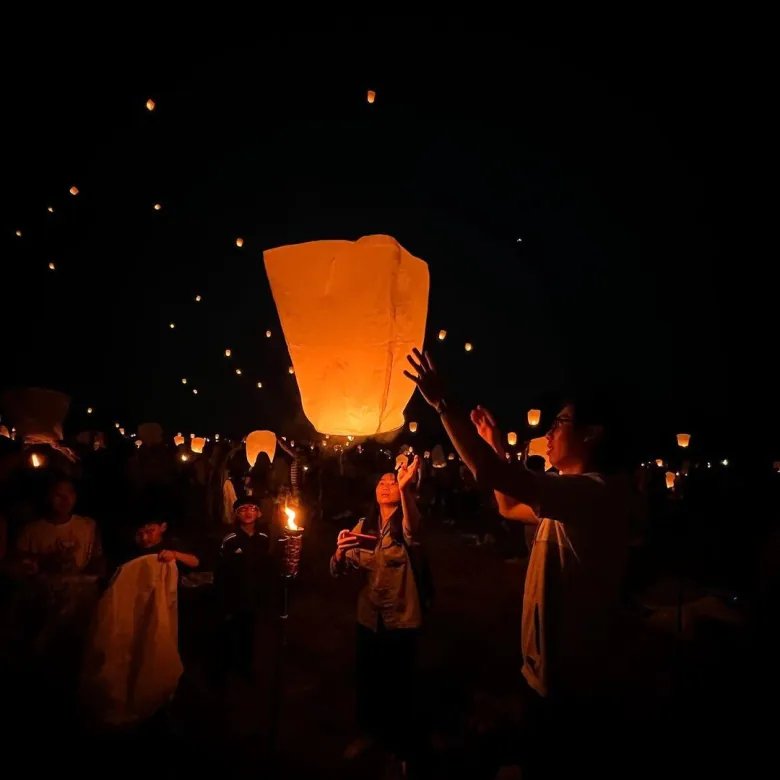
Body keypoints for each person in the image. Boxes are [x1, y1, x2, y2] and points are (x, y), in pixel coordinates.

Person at [405, 349, 635, 763]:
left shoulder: (596, 492)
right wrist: (494, 445)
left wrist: (443, 405)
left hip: (573, 682)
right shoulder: (571, 495)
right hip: (544, 673)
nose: (549, 430)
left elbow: (493, 477)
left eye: (561, 421)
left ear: (592, 433)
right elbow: (509, 506)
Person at [330, 456, 424, 767]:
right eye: (380, 483)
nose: (385, 487)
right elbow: (340, 570)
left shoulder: (408, 521)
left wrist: (408, 490)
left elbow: (414, 531)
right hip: (368, 617)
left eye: (392, 482)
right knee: (368, 678)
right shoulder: (364, 526)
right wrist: (339, 554)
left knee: (399, 682)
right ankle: (368, 733)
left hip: (401, 616)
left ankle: (399, 745)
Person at [214, 496, 274, 682]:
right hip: (233, 594)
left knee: (249, 630)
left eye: (252, 509)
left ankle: (246, 667)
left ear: (259, 513)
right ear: (236, 514)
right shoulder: (230, 539)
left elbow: (264, 565)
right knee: (231, 630)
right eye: (242, 510)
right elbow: (221, 569)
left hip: (253, 593)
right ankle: (225, 668)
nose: (248, 513)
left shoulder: (263, 537)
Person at [15, 476, 103, 576]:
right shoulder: (30, 531)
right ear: (48, 496)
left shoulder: (88, 526)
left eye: (70, 492)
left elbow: (97, 562)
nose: (65, 499)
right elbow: (18, 564)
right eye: (58, 494)